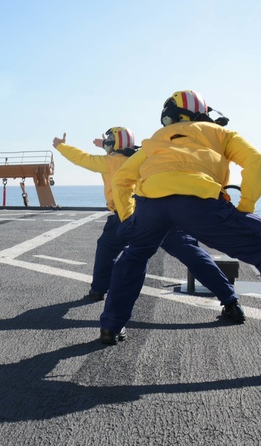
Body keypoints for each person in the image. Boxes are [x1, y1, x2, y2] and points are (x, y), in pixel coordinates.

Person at [99, 91, 261, 374]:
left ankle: (110, 327)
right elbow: (254, 160)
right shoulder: (220, 132)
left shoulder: (153, 141)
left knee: (133, 257)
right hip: (199, 201)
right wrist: (245, 208)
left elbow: (122, 180)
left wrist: (129, 217)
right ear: (202, 112)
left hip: (151, 206)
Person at [52, 129, 245, 325]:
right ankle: (231, 301)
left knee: (108, 249)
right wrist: (104, 144)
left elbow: (81, 158)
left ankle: (99, 291)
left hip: (126, 215)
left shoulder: (109, 162)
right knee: (192, 253)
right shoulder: (146, 155)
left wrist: (61, 145)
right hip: (160, 211)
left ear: (113, 144)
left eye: (108, 143)